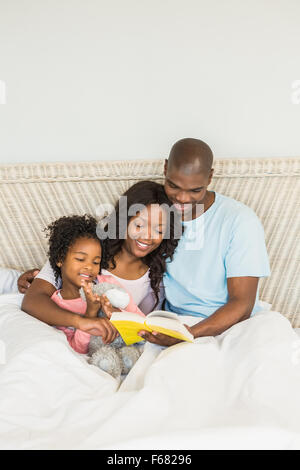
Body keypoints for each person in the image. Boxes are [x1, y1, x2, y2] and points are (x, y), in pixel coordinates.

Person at [139, 138, 271, 347]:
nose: (181, 198)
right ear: (165, 168)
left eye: (195, 190)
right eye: (173, 186)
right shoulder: (155, 213)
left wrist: (188, 334)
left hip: (233, 325)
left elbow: (243, 304)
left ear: (210, 177)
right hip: (177, 322)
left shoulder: (240, 220)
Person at [21, 181, 180, 340]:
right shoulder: (85, 245)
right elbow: (32, 301)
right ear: (124, 220)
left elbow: (142, 325)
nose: (147, 236)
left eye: (159, 230)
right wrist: (82, 322)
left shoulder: (154, 275)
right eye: (139, 225)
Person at [42, 214, 145, 353]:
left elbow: (141, 322)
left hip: (126, 348)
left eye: (95, 262)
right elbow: (77, 349)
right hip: (100, 357)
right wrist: (91, 313)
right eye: (80, 259)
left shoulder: (107, 284)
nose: (89, 267)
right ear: (60, 259)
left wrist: (116, 313)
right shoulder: (57, 307)